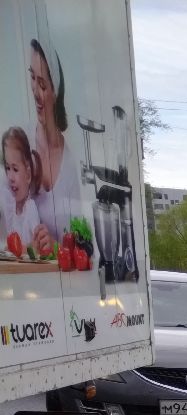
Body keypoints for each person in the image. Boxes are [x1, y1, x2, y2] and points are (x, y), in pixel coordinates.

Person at [28, 38, 83, 258]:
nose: (34, 91)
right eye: (32, 77)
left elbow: (83, 250)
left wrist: (56, 248)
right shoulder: (20, 142)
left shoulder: (72, 165)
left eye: (42, 84)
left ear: (56, 91)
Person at [3, 128, 42, 252]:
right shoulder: (12, 211)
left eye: (15, 169)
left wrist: (15, 250)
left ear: (28, 175)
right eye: (7, 168)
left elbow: (37, 246)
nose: (10, 177)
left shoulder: (30, 208)